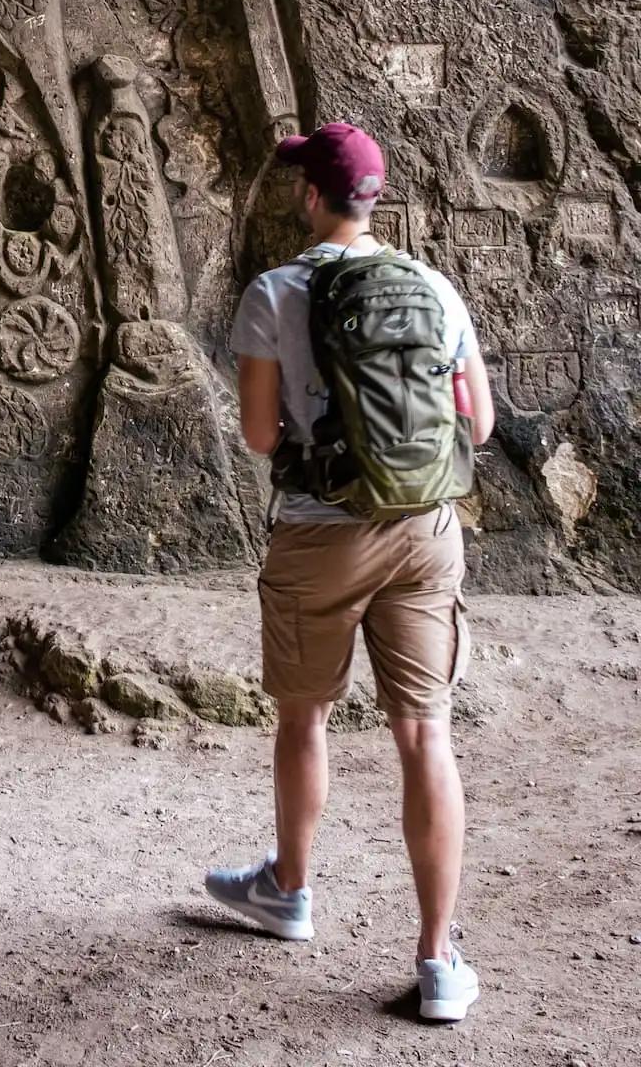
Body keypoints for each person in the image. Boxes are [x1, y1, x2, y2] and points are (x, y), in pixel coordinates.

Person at [203, 122, 495, 1024]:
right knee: (425, 735)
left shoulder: (275, 292)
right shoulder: (434, 287)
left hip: (320, 535)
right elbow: (479, 424)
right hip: (425, 532)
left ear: (309, 195)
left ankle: (290, 891)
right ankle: (439, 958)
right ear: (375, 198)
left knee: (305, 718)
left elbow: (260, 436)